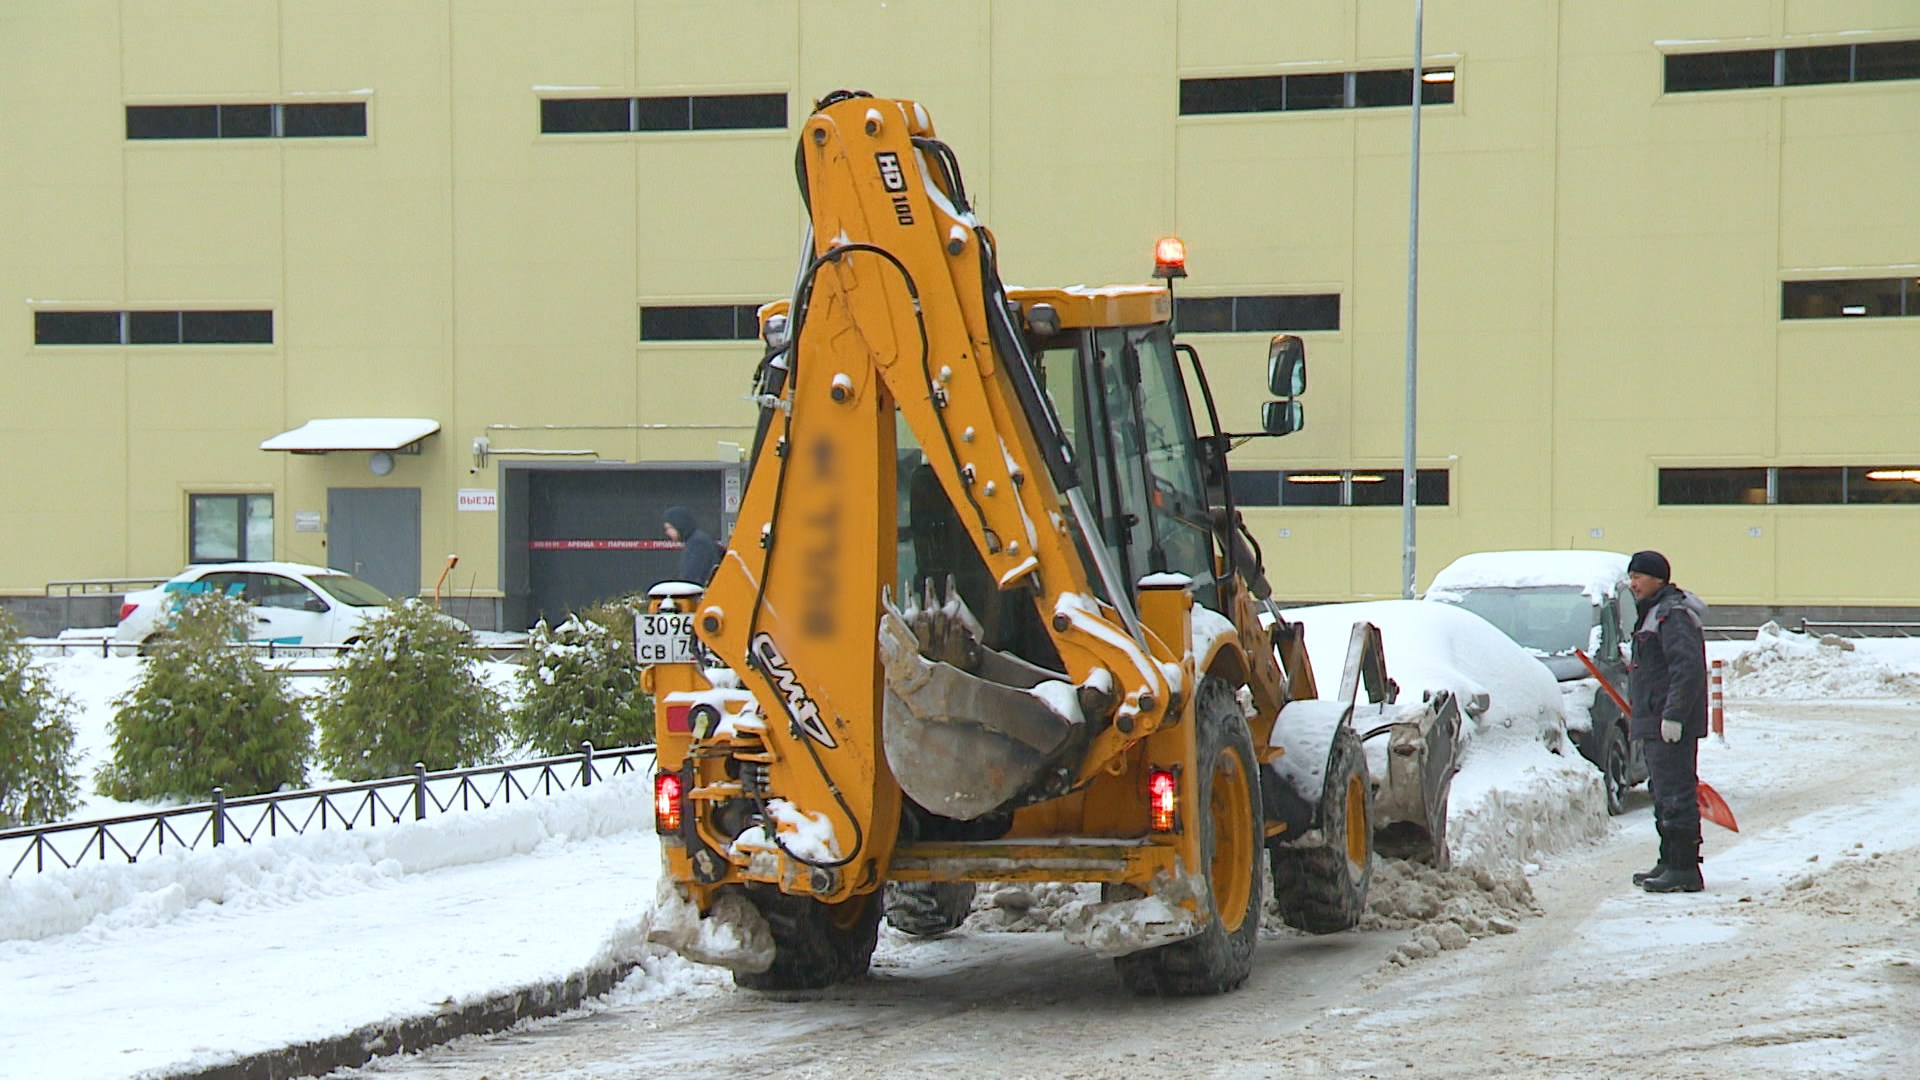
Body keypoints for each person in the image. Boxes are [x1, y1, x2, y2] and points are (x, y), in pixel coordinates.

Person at [1624, 549, 1710, 893]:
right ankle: (1668, 860)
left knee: (1676, 795)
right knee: (1661, 793)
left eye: (1638, 577)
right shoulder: (1652, 613)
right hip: (1654, 720)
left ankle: (1685, 868)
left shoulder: (1671, 616)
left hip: (1669, 724)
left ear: (1658, 578)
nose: (1633, 584)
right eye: (1630, 577)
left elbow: (1686, 669)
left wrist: (1673, 716)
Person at [662, 506, 721, 585]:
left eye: (669, 528)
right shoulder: (696, 540)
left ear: (679, 525)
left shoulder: (698, 544)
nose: (667, 532)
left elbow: (691, 577)